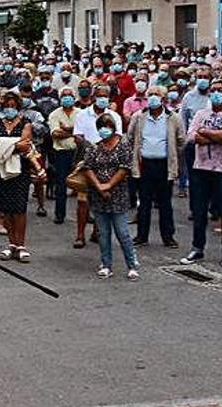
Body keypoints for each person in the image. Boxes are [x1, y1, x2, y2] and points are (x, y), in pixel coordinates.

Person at [182, 80, 222, 268]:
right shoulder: (201, 113)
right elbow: (191, 136)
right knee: (199, 211)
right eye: (213, 90)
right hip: (201, 167)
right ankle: (197, 247)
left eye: (220, 90)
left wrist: (206, 133)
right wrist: (212, 136)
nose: (216, 93)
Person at [81, 114, 140, 280]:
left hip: (118, 195)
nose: (104, 130)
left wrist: (109, 185)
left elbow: (124, 168)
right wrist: (99, 187)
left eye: (107, 126)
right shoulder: (94, 148)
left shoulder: (123, 146)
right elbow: (87, 167)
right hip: (98, 196)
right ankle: (106, 264)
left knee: (122, 232)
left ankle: (132, 264)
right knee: (103, 233)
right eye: (101, 127)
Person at [127, 86, 184, 248]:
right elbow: (130, 138)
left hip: (164, 164)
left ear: (163, 99)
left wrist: (172, 156)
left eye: (156, 95)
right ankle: (141, 236)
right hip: (144, 163)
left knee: (165, 202)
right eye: (150, 95)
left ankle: (168, 236)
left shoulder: (173, 118)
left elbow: (181, 140)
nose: (153, 98)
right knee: (144, 201)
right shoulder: (139, 117)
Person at [0, 92, 35, 263]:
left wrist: (5, 144)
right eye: (7, 106)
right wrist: (14, 145)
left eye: (13, 106)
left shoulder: (25, 123)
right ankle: (11, 243)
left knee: (20, 207)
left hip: (21, 170)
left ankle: (21, 244)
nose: (10, 108)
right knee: (5, 207)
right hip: (1, 170)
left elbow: (26, 144)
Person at [47, 87, 80, 225]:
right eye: (64, 96)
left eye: (70, 95)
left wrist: (66, 129)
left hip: (78, 152)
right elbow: (55, 134)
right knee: (61, 184)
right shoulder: (54, 114)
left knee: (82, 185)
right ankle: (59, 214)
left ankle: (85, 214)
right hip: (61, 153)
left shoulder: (81, 113)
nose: (67, 98)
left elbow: (83, 133)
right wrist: (73, 131)